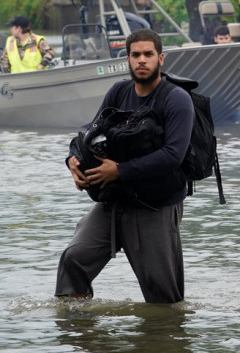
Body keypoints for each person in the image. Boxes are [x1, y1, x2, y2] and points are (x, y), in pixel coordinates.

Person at [55, 29, 195, 304]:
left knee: (162, 294)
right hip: (114, 200)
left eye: (148, 54)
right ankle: (79, 331)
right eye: (135, 55)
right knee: (74, 259)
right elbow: (90, 133)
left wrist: (119, 169)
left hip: (155, 205)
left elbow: (172, 155)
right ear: (128, 60)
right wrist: (72, 159)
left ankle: (164, 339)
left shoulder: (176, 99)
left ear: (160, 59)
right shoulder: (118, 92)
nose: (142, 60)